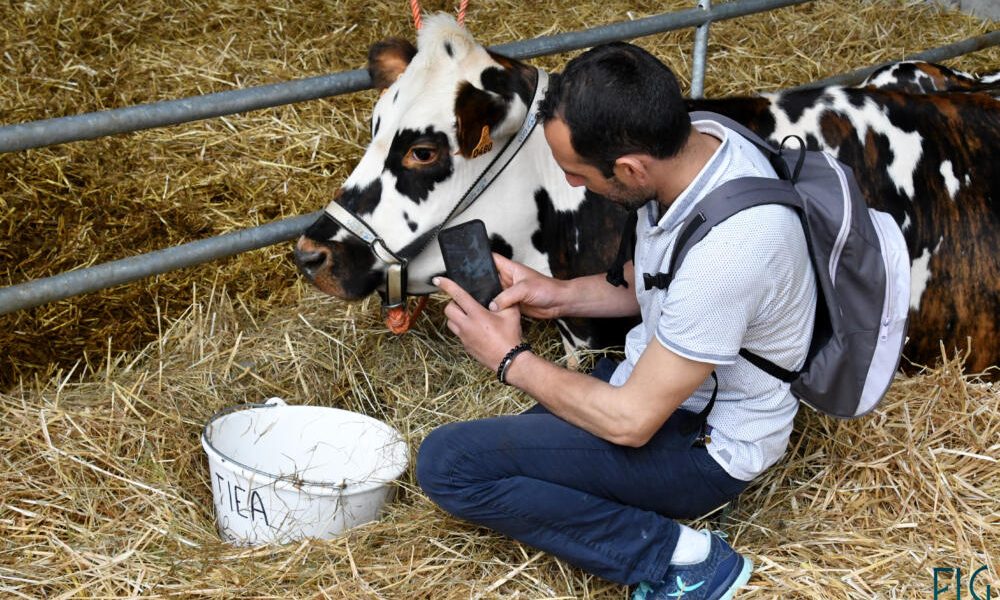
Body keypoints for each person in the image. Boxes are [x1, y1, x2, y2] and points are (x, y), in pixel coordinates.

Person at [416, 41, 817, 600]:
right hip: (663, 388)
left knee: (450, 464)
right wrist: (555, 296)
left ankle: (686, 561)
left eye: (578, 174)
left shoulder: (734, 248)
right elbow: (650, 281)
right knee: (522, 438)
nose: (576, 186)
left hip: (706, 445)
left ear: (628, 167)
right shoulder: (699, 146)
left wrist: (509, 359)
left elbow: (630, 422)